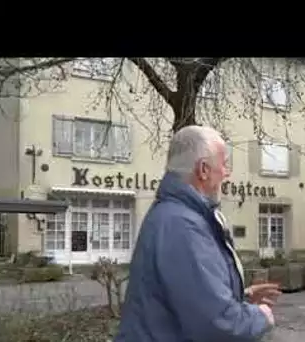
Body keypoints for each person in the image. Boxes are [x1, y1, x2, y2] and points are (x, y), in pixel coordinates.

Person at [115, 125, 281, 342]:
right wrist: (260, 316)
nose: (227, 173)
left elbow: (186, 297)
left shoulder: (176, 215)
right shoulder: (183, 225)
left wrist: (243, 297)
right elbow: (217, 324)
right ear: (203, 170)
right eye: (224, 164)